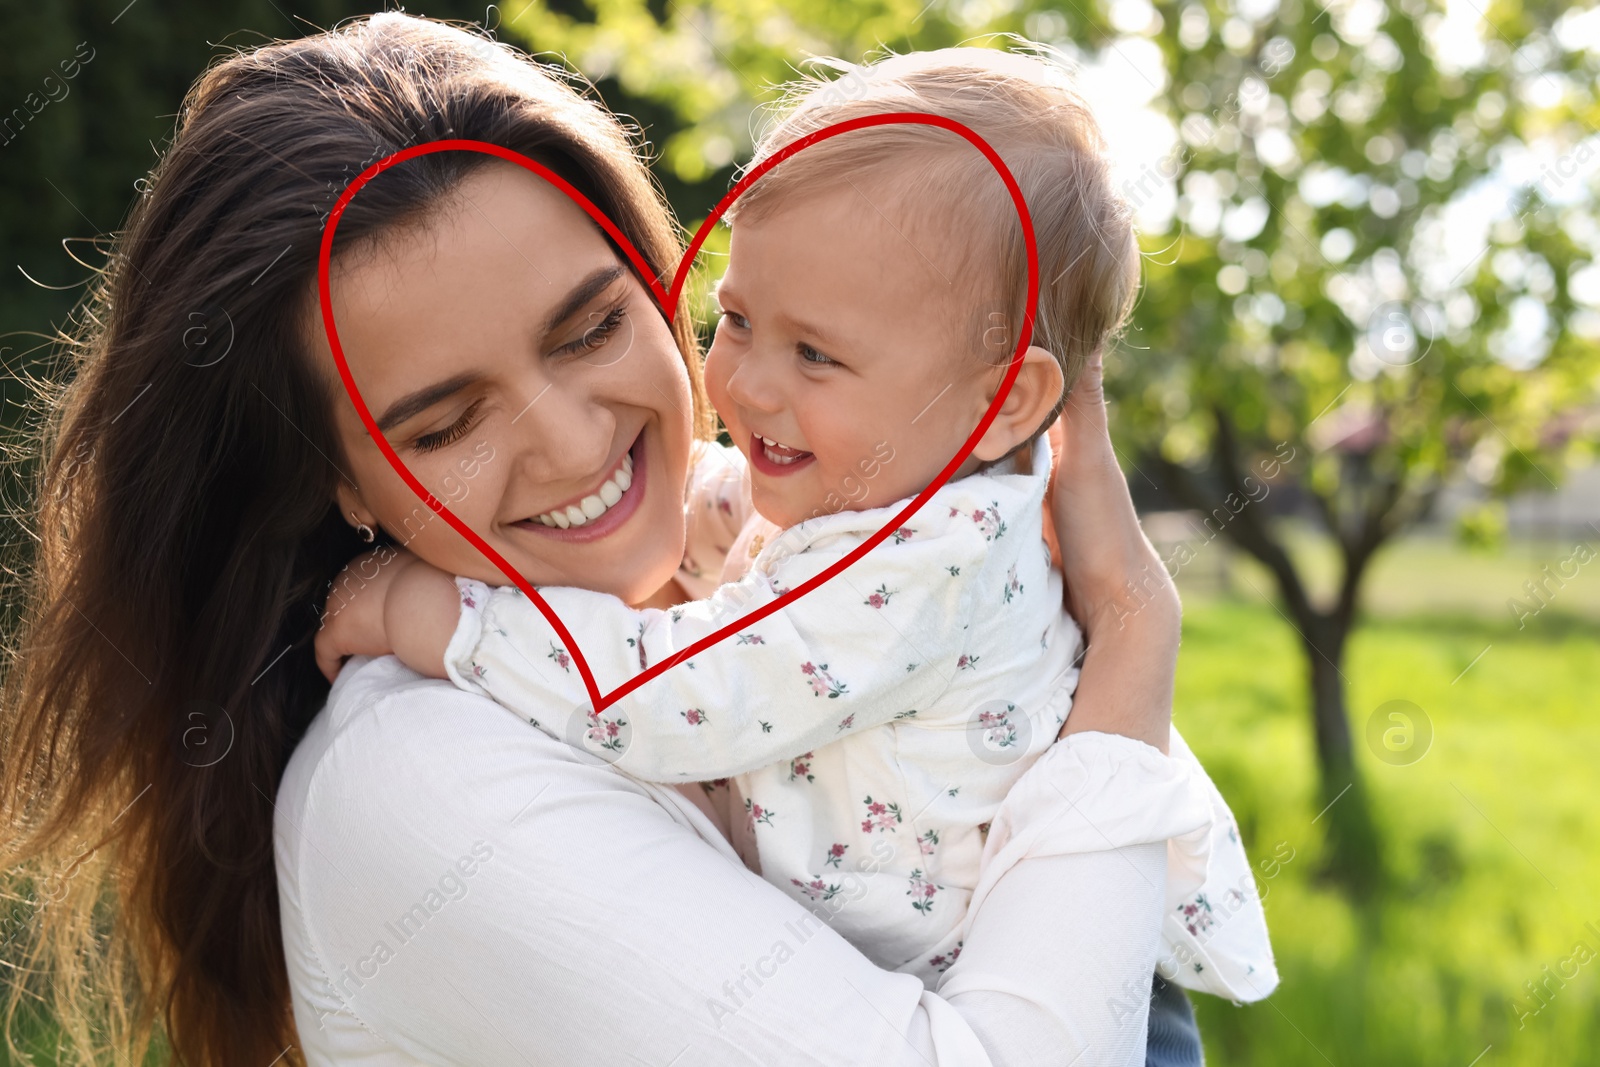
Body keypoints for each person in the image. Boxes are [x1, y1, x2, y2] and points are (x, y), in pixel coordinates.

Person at [0, 14, 1249, 1066]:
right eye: (448, 423)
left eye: (591, 328)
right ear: (341, 483)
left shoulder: (785, 547)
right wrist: (1132, 645)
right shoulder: (424, 775)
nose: (572, 442)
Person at [314, 46, 1275, 1003]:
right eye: (735, 318)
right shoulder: (893, 490)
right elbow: (726, 509)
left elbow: (665, 696)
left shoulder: (921, 563)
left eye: (815, 353)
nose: (747, 383)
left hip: (1098, 1009)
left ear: (1002, 402)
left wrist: (438, 617)